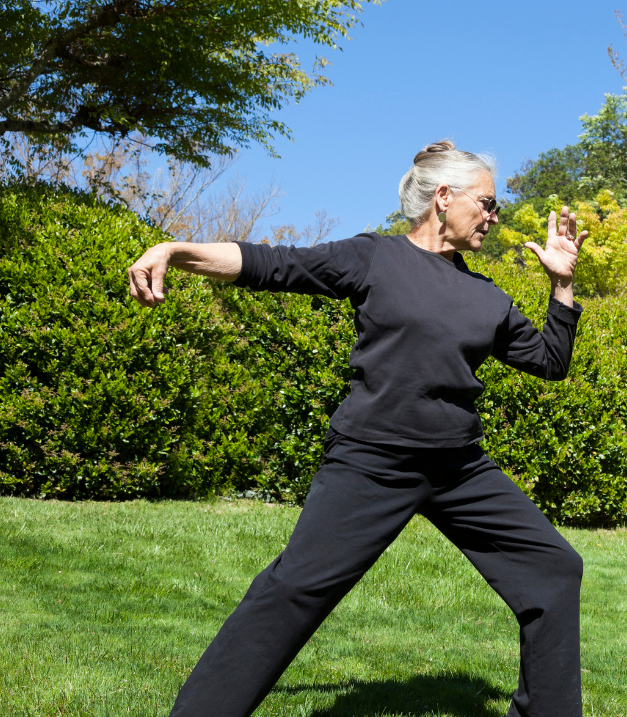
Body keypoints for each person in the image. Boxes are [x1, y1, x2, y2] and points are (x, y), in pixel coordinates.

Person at [127, 141, 590, 717]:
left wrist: (562, 286)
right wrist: (175, 249)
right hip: (373, 461)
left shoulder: (486, 297)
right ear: (443, 198)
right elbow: (273, 263)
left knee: (553, 568)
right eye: (489, 203)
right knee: (295, 589)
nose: (495, 217)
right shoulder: (377, 258)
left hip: (458, 467)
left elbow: (550, 361)